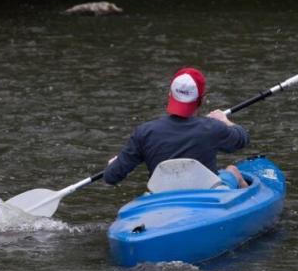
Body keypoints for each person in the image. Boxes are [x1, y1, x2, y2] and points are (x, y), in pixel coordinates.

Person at [104, 67, 249, 189]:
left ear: (170, 95)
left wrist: (117, 164)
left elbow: (111, 177)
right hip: (207, 197)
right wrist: (225, 121)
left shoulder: (145, 132)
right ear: (202, 99)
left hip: (163, 200)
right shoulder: (213, 128)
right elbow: (242, 139)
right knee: (232, 171)